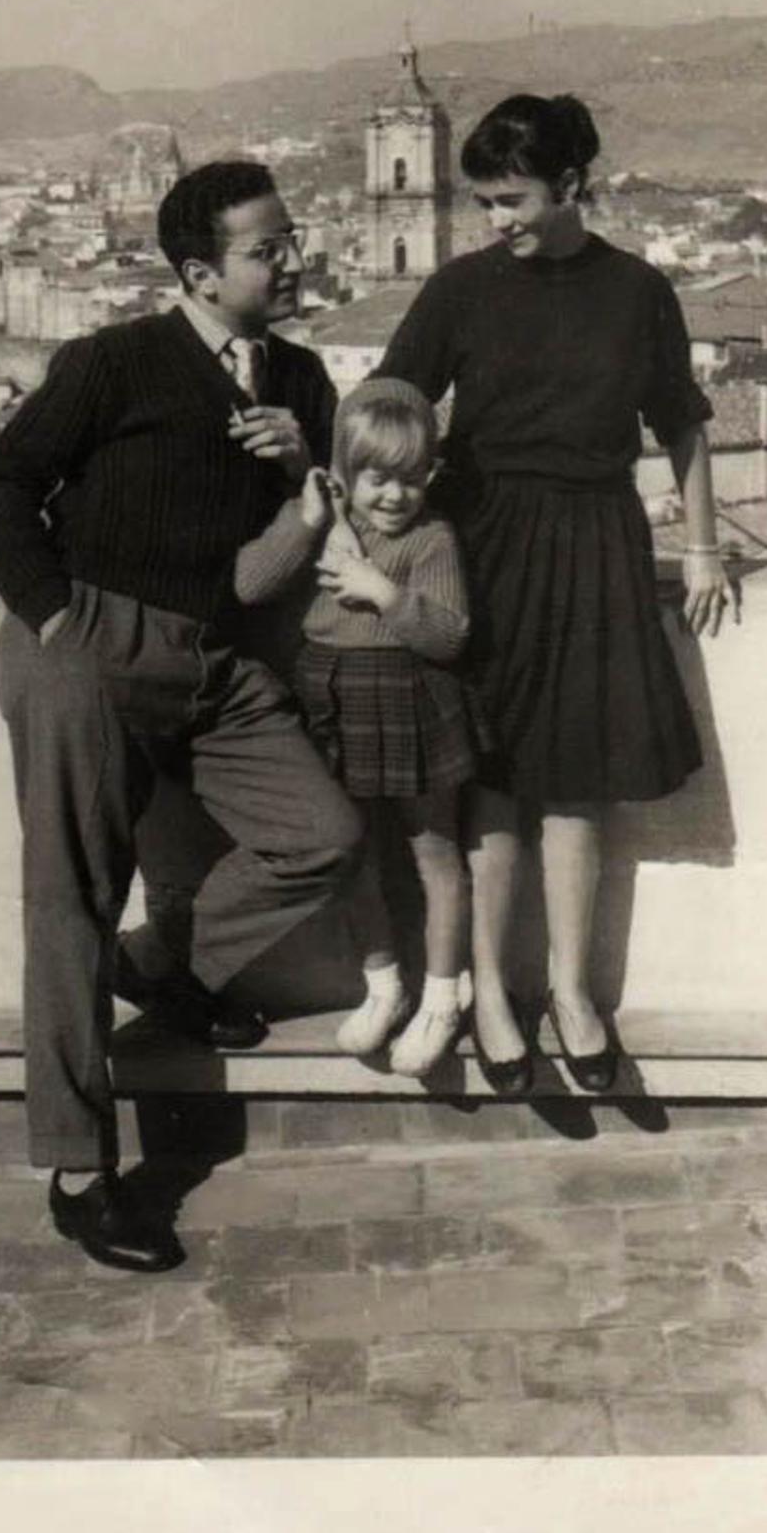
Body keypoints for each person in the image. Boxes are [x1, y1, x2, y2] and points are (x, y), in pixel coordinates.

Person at [0, 161, 362, 1273]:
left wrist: (305, 478)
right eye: (266, 249)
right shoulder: (112, 362)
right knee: (69, 897)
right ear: (199, 271)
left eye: (291, 240)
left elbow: (271, 565)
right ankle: (82, 1170)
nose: (293, 260)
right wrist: (54, 622)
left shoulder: (305, 378)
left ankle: (163, 959)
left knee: (319, 835)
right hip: (87, 647)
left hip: (215, 659)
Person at [375, 93, 735, 1096]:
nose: (497, 221)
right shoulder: (458, 289)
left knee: (573, 780)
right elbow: (390, 406)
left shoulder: (638, 290)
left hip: (594, 543)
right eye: (485, 202)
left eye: (513, 199)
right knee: (491, 779)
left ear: (573, 186)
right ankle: (492, 993)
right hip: (481, 543)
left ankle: (572, 993)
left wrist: (703, 549)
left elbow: (685, 426)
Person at [235, 378, 480, 1077]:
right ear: (348, 474)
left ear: (430, 475)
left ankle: (440, 998)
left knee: (434, 854)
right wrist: (305, 518)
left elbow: (451, 634)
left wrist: (386, 593)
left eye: (411, 479)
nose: (394, 496)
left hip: (409, 698)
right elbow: (251, 584)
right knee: (355, 853)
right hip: (332, 697)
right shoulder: (325, 520)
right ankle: (384, 984)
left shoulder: (433, 540)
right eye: (377, 479)